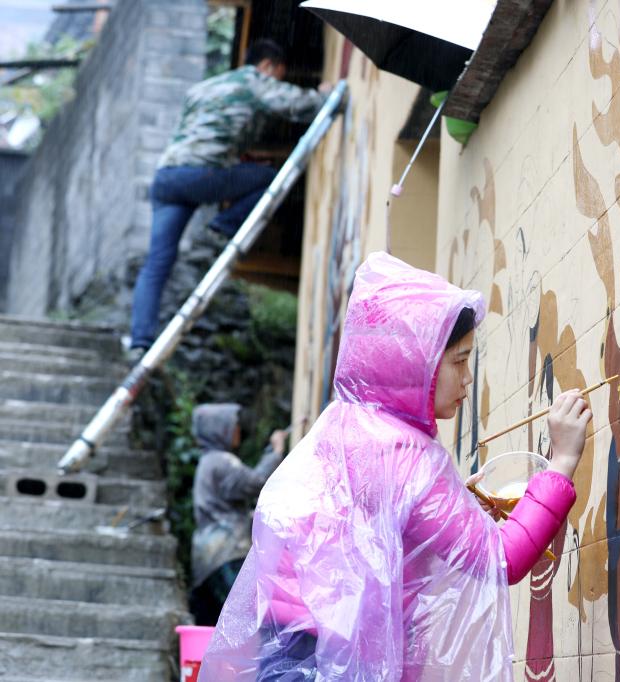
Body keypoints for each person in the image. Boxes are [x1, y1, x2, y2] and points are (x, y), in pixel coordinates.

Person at [198, 252, 592, 681]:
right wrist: (562, 461)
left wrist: (459, 509)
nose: (467, 378)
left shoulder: (345, 425)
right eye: (459, 361)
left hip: (287, 646)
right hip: (330, 658)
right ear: (417, 362)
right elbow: (502, 558)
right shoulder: (408, 456)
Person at [128, 39, 331, 357]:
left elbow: (203, 134)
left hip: (167, 177)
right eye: (278, 74)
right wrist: (324, 94)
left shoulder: (203, 89)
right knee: (270, 179)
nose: (276, 80)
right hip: (200, 174)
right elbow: (296, 105)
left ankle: (139, 342)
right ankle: (219, 230)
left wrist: (239, 158)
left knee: (157, 264)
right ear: (267, 65)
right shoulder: (252, 79)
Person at [189, 402, 287, 626]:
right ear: (219, 429)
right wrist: (276, 452)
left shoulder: (209, 461)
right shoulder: (221, 462)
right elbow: (256, 482)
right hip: (226, 553)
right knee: (246, 618)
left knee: (220, 624)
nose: (237, 431)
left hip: (210, 556)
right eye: (232, 426)